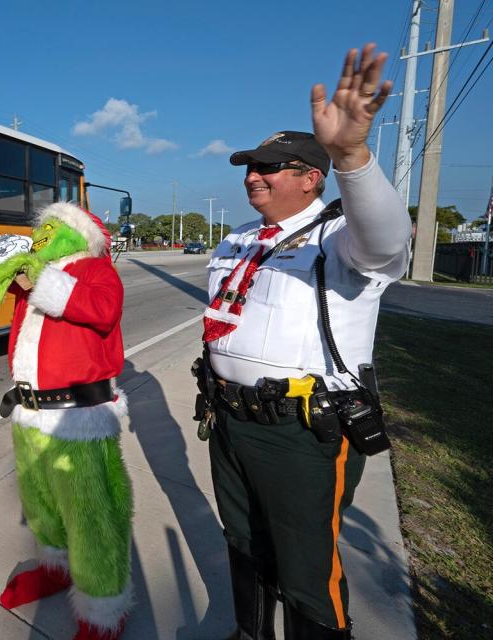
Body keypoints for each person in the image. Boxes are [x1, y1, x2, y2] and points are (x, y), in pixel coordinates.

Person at [199, 44, 412, 639]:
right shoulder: (239, 237)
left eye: (269, 167)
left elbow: (387, 238)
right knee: (242, 541)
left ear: (310, 177)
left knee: (306, 564)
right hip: (231, 419)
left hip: (301, 428)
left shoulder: (341, 234)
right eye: (249, 167)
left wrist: (354, 156)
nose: (253, 177)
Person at [0, 153, 133, 640]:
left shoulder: (96, 272)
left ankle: (104, 609)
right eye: (39, 234)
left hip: (78, 420)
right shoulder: (33, 272)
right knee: (41, 503)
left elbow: (101, 311)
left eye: (49, 233)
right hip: (29, 413)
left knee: (91, 517)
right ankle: (57, 569)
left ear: (77, 236)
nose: (38, 240)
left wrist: (36, 275)